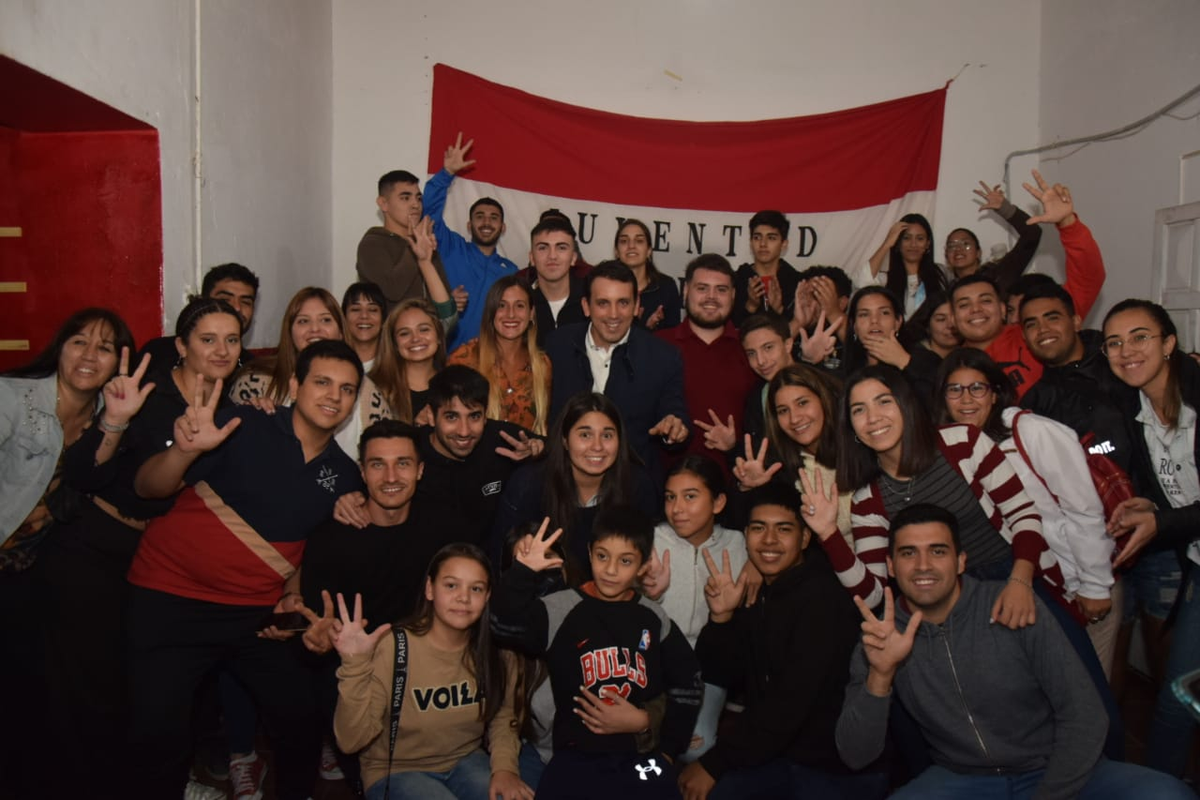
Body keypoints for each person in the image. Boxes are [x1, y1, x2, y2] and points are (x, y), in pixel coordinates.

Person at [124, 339, 365, 800]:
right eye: (322, 382)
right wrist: (185, 451)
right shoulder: (244, 423)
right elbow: (146, 486)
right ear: (295, 384)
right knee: (159, 735)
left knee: (300, 720)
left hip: (252, 617)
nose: (334, 396)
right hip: (168, 602)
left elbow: (299, 546)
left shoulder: (344, 474)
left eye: (347, 389)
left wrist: (290, 598)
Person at [835, 504, 1192, 800]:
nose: (924, 565)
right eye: (908, 553)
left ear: (960, 561)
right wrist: (879, 677)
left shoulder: (1012, 606)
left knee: (1166, 794)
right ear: (892, 566)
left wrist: (1049, 795)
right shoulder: (880, 635)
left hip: (1057, 769)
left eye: (938, 551)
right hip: (963, 780)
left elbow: (1085, 716)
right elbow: (855, 755)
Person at [39, 299, 240, 797]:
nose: (221, 349)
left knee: (133, 685)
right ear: (182, 346)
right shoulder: (145, 394)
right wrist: (114, 419)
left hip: (147, 560)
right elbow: (88, 475)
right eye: (207, 339)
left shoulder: (228, 411)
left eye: (232, 339)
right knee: (78, 683)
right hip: (88, 546)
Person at [677, 483, 884, 800]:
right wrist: (721, 618)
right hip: (780, 753)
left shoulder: (822, 598)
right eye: (758, 529)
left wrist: (715, 764)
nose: (769, 540)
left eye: (783, 529)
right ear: (746, 535)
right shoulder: (761, 590)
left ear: (803, 539)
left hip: (831, 766)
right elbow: (719, 673)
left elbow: (790, 704)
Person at [0, 307, 132, 798]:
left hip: (38, 571)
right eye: (79, 341)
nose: (88, 355)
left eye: (103, 347)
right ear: (60, 347)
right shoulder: (11, 399)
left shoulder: (112, 415)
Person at [492, 509, 704, 798]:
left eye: (625, 561)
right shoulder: (560, 608)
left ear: (642, 565)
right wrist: (523, 572)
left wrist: (667, 750)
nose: (611, 570)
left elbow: (688, 683)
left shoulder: (653, 617)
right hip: (576, 756)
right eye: (603, 556)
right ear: (590, 553)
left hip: (641, 756)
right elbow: (502, 625)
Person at [934, 348, 1117, 673]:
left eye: (977, 388)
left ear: (994, 394)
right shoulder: (947, 448)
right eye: (955, 390)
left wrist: (1094, 585)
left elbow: (1083, 508)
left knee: (1087, 690)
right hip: (1021, 585)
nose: (966, 400)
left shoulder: (1030, 431)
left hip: (1077, 581)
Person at [332, 543, 530, 800]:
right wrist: (354, 665)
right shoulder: (394, 647)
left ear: (488, 596)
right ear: (429, 589)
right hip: (396, 769)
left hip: (466, 760)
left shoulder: (497, 652)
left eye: (476, 588)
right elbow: (350, 741)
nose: (463, 597)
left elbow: (504, 718)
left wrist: (505, 768)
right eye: (451, 585)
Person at [1102, 299, 1200, 778]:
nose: (1126, 351)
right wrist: (1153, 508)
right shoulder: (1135, 406)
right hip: (1197, 565)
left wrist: (1162, 524)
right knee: (1178, 699)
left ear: (1168, 344)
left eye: (1139, 337)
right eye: (1114, 342)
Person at [951, 170, 1105, 399]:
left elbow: (1088, 278)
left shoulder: (1035, 331)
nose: (976, 310)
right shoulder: (953, 369)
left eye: (985, 300)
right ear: (952, 319)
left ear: (1003, 309)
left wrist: (1068, 224)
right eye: (964, 304)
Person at [641, 456, 749, 764]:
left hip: (708, 668)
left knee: (695, 747)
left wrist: (754, 567)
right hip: (656, 663)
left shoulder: (739, 544)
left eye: (690, 497)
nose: (677, 509)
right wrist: (646, 595)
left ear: (718, 503)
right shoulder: (650, 540)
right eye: (670, 497)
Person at [545, 261, 690, 481]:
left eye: (623, 303)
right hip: (562, 484)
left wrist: (674, 427)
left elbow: (674, 412)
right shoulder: (556, 345)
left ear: (636, 304)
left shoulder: (663, 357)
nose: (614, 315)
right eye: (603, 303)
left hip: (631, 488)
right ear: (586, 306)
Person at [491, 392, 657, 583]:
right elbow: (499, 560)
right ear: (564, 440)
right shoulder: (529, 484)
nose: (597, 446)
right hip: (545, 602)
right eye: (585, 435)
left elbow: (646, 560)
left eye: (607, 435)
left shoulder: (637, 485)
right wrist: (518, 552)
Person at [230, 286, 391, 458]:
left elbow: (387, 454)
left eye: (326, 320)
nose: (315, 329)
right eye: (303, 321)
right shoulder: (255, 381)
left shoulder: (367, 390)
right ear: (290, 331)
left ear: (341, 332)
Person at [732, 363, 851, 548]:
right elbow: (747, 529)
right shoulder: (778, 467)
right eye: (783, 411)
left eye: (802, 403)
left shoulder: (858, 447)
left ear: (823, 399)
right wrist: (749, 489)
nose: (794, 418)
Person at [658, 254, 758, 466]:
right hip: (665, 486)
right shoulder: (656, 345)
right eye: (702, 288)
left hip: (736, 483)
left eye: (721, 290)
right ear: (686, 291)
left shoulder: (750, 347)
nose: (711, 297)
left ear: (733, 295)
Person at [425, 133, 520, 351]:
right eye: (480, 216)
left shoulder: (511, 271)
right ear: (469, 225)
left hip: (490, 364)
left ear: (503, 228)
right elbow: (428, 215)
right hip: (446, 360)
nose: (486, 222)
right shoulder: (451, 248)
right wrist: (446, 173)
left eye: (494, 218)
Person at [448, 275, 553, 434]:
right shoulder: (464, 358)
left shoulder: (542, 365)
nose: (510, 314)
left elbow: (543, 429)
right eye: (502, 305)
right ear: (491, 312)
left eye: (519, 306)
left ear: (531, 313)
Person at [356, 169, 457, 317]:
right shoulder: (372, 243)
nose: (415, 205)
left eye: (418, 198)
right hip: (392, 337)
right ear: (383, 203)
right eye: (405, 198)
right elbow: (392, 290)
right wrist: (414, 247)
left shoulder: (425, 241)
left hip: (430, 335)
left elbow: (445, 304)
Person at [139, 262, 258, 367]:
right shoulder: (157, 354)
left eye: (246, 302)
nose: (237, 308)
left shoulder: (254, 371)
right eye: (225, 300)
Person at [843, 286, 941, 400]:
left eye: (884, 313)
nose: (874, 320)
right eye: (864, 314)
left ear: (898, 321)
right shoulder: (847, 365)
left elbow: (941, 396)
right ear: (854, 325)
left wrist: (903, 361)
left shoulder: (924, 359)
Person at [943, 180, 1042, 291]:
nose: (958, 249)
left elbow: (1032, 233)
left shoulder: (1000, 274)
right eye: (951, 246)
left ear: (978, 253)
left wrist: (1005, 208)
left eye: (966, 244)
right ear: (947, 256)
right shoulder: (946, 291)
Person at [855, 213, 948, 318]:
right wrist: (887, 243)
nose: (913, 244)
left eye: (920, 238)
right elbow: (862, 282)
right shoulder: (886, 279)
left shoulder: (941, 273)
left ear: (927, 244)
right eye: (906, 238)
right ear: (898, 243)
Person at [371, 298, 447, 424]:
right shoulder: (375, 388)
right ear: (394, 344)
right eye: (404, 333)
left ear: (438, 336)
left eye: (424, 329)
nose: (415, 338)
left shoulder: (454, 387)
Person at [732, 210, 802, 326]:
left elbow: (804, 329)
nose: (763, 244)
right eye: (757, 237)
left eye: (771, 238)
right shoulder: (735, 280)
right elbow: (729, 329)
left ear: (784, 243)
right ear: (750, 242)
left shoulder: (797, 284)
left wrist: (779, 311)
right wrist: (750, 306)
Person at [526, 216, 588, 346]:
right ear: (532, 257)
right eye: (543, 248)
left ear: (573, 258)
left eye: (561, 248)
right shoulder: (520, 302)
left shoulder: (591, 300)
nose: (552, 256)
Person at [737, 314, 795, 446]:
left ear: (787, 344)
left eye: (768, 348)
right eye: (751, 353)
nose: (761, 361)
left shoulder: (821, 383)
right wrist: (731, 447)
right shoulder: (755, 399)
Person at [615, 218, 681, 330]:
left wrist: (653, 331)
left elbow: (673, 338)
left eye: (639, 241)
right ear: (617, 251)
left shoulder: (666, 287)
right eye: (624, 241)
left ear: (649, 250)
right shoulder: (605, 286)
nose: (631, 246)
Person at [902, 290, 961, 359]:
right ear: (927, 326)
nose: (950, 325)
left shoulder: (969, 355)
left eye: (955, 318)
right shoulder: (911, 358)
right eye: (941, 319)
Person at [342, 281, 387, 369]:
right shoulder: (331, 363)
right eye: (355, 309)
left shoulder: (397, 366)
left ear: (383, 319)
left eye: (372, 309)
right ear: (344, 317)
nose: (364, 316)